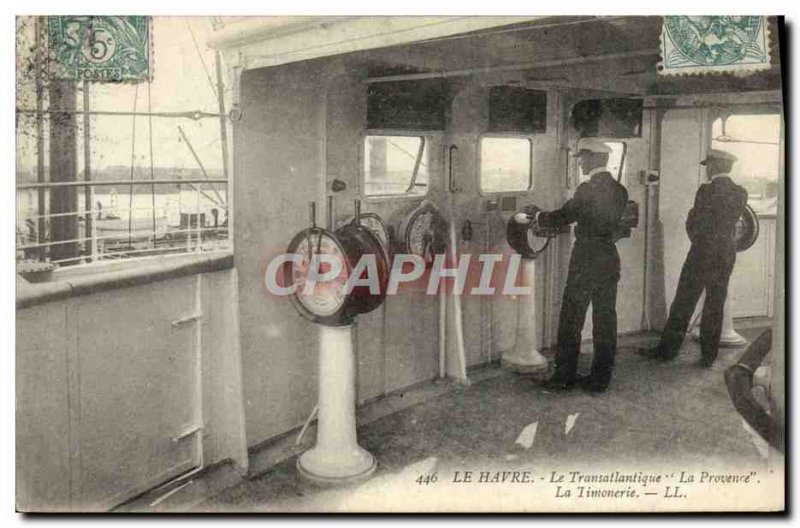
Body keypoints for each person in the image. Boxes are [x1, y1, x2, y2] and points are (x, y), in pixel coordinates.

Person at [527, 139, 628, 393]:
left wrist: (537, 216)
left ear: (593, 158)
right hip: (608, 256)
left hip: (586, 257)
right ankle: (600, 379)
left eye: (582, 158)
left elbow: (565, 215)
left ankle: (564, 376)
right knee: (605, 318)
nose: (580, 163)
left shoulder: (587, 189)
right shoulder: (620, 190)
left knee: (572, 317)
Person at [640, 149, 747, 367]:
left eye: (708, 165)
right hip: (726, 252)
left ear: (714, 167)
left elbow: (694, 220)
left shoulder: (705, 191)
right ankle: (708, 356)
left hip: (701, 252)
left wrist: (697, 240)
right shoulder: (740, 192)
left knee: (684, 301)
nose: (707, 170)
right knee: (715, 303)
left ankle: (667, 351)